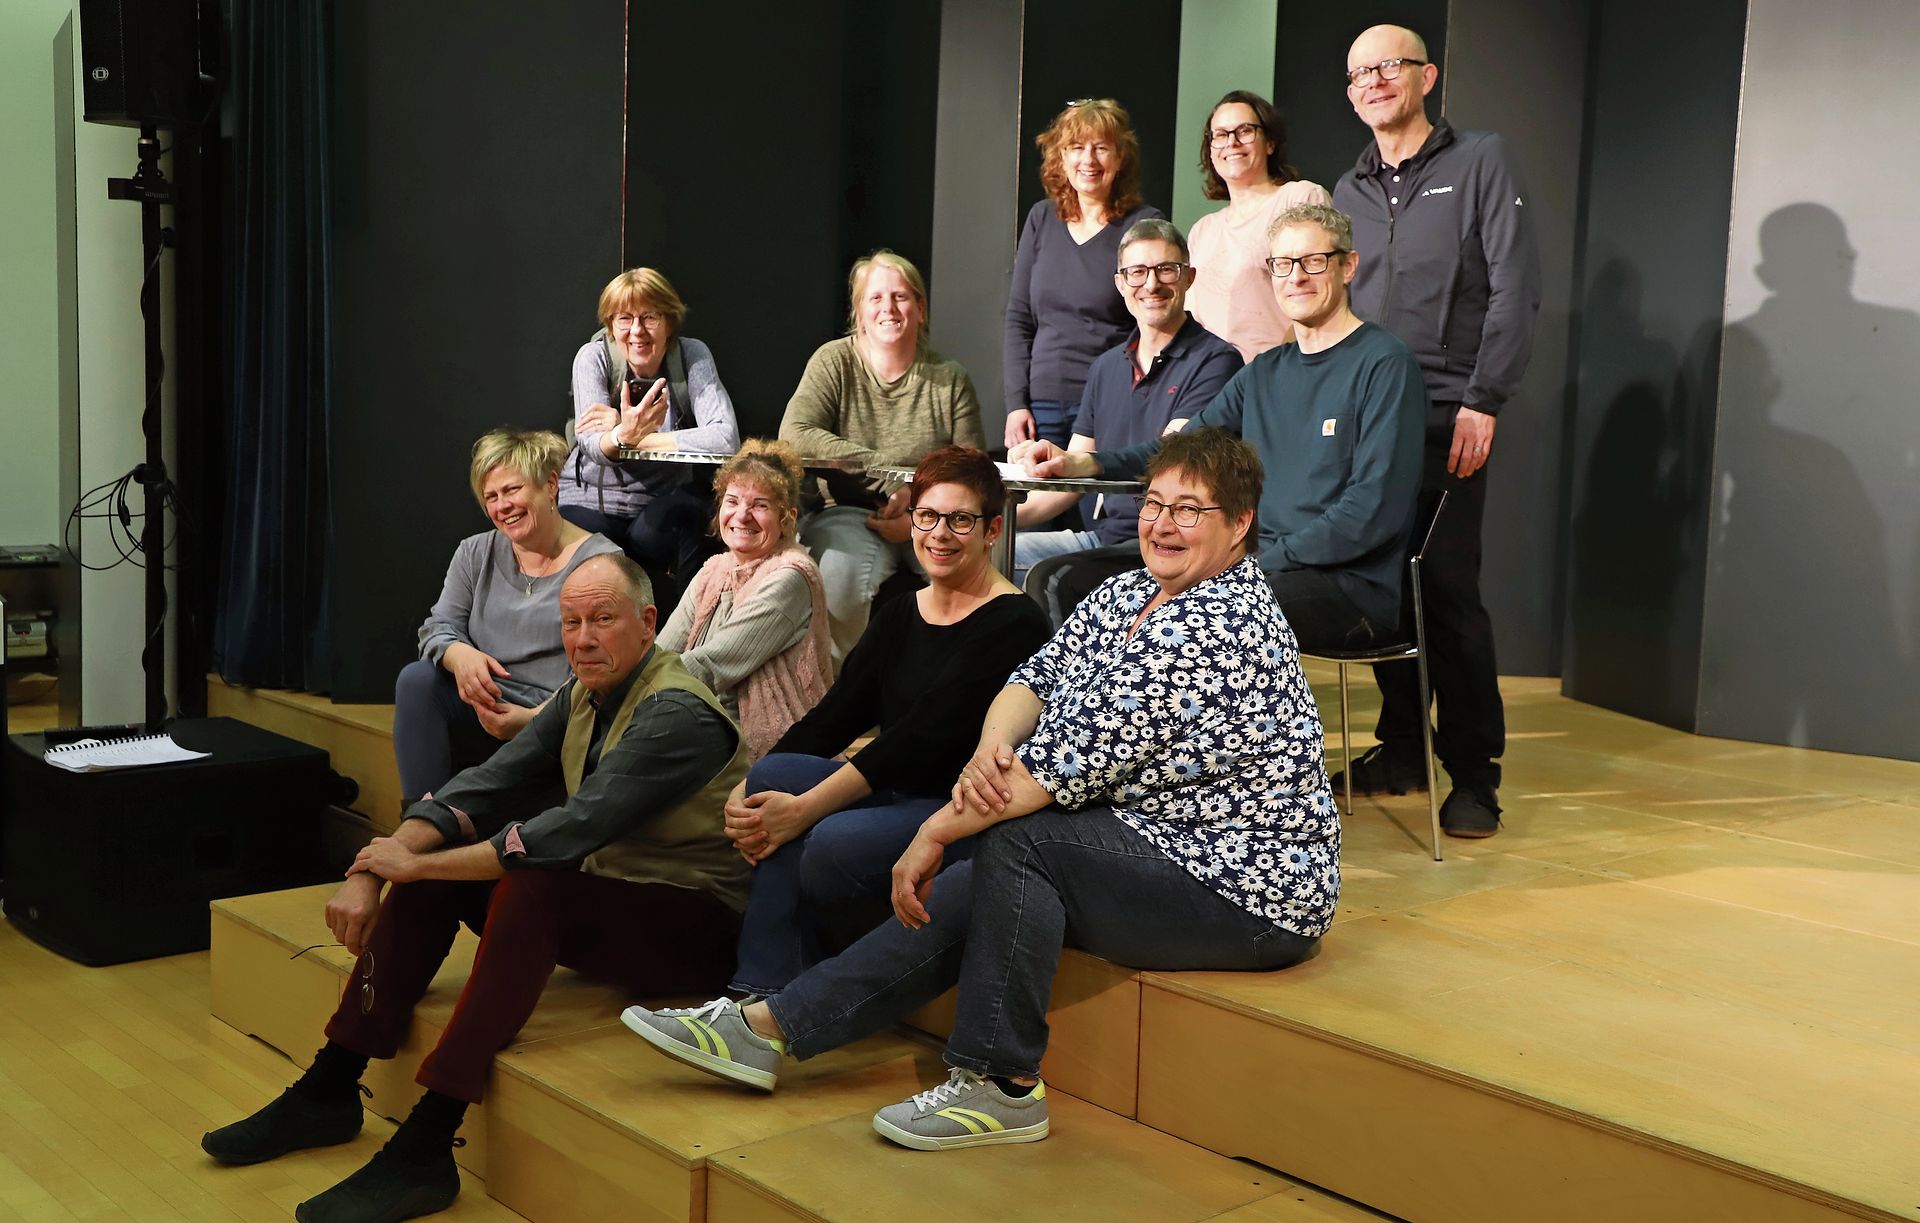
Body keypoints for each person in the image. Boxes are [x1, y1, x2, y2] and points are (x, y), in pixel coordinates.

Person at [623, 430, 1335, 1152]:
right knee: (1001, 856)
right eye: (1153, 504)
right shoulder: (1131, 591)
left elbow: (1053, 771)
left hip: (1246, 889)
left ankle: (1002, 1082)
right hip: (1149, 838)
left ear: (1239, 523)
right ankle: (767, 1023)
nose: (1161, 524)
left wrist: (934, 831)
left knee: (1018, 844)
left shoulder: (1216, 623)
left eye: (1188, 510)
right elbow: (1035, 680)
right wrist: (996, 743)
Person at [202, 554, 749, 1223]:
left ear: (648, 622)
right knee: (447, 867)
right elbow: (486, 783)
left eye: (602, 619)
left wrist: (413, 865)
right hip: (616, 899)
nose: (582, 638)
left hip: (698, 927)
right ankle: (330, 1084)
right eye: (571, 622)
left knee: (527, 882)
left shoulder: (675, 712)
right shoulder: (584, 694)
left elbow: (568, 830)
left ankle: (430, 1138)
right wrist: (377, 865)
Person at [1018, 203, 1426, 657]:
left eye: (1313, 261)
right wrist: (1084, 462)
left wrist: (1252, 564)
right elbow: (1178, 451)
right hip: (1249, 567)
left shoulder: (1385, 363)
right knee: (1062, 581)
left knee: (1187, 617)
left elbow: (1371, 512)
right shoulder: (1264, 371)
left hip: (1347, 587)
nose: (1296, 277)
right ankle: (1075, 706)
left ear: (1347, 266)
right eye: (1283, 264)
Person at [721, 446, 1050, 997]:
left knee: (828, 839)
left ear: (992, 530)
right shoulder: (902, 611)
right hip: (893, 791)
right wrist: (748, 784)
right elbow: (835, 715)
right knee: (772, 779)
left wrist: (803, 810)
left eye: (959, 520)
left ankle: (773, 987)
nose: (939, 534)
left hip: (960, 812)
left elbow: (915, 740)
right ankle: (765, 984)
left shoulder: (1016, 622)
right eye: (927, 516)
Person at [1331, 24, 1542, 838]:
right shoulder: (1346, 189)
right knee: (1380, 592)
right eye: (1360, 73)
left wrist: (1484, 399)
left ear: (1427, 75)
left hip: (1449, 416)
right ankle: (1401, 750)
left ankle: (1476, 775)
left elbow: (1514, 286)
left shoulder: (1481, 160)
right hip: (1365, 423)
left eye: (1390, 65)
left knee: (1447, 596)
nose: (1375, 81)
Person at [779, 251, 987, 664]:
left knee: (980, 586)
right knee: (838, 580)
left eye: (900, 297)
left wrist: (919, 506)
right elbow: (795, 435)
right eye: (875, 298)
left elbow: (973, 471)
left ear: (921, 309)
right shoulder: (834, 361)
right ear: (859, 312)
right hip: (849, 513)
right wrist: (890, 479)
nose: (888, 308)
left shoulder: (949, 378)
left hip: (935, 517)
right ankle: (838, 691)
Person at [1012, 217, 1242, 585]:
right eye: (1137, 272)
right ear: (1120, 283)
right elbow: (1068, 482)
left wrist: (1079, 462)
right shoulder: (1105, 367)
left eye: (1165, 269)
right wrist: (986, 516)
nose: (1151, 284)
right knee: (977, 552)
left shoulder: (1217, 361)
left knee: (1050, 577)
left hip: (1169, 544)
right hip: (1102, 539)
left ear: (1188, 277)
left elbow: (1171, 457)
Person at [398, 429, 622, 805]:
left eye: (512, 490)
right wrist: (460, 655)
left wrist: (532, 719)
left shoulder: (602, 564)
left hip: (560, 714)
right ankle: (421, 820)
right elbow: (438, 627)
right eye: (491, 497)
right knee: (417, 680)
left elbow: (606, 673)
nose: (502, 506)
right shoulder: (474, 552)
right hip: (486, 701)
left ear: (550, 485)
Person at [558, 267, 740, 601]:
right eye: (624, 319)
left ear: (670, 321)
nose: (637, 331)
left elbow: (726, 440)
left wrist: (633, 435)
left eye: (650, 317)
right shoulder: (593, 357)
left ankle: (693, 626)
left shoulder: (691, 355)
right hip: (591, 505)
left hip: (656, 505)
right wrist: (622, 435)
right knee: (588, 546)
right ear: (611, 325)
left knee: (697, 514)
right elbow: (592, 444)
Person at [1003, 98, 1164, 451]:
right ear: (1061, 157)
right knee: (1038, 488)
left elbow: (1154, 322)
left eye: (1101, 148)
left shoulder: (1143, 225)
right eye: (1076, 147)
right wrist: (1016, 403)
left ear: (1120, 158)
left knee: (1098, 489)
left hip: (1109, 401)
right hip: (1040, 406)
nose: (1088, 160)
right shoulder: (1041, 218)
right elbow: (1019, 317)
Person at [655, 440, 832, 760]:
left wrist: (634, 689)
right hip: (701, 719)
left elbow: (713, 664)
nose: (742, 515)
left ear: (787, 518)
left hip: (766, 745)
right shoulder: (714, 570)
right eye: (733, 501)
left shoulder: (791, 576)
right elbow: (663, 650)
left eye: (760, 505)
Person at [1186, 90, 1333, 361]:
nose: (1231, 142)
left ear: (1270, 143)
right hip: (1213, 378)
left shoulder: (1299, 198)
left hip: (1279, 369)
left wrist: (1273, 369)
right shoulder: (1202, 230)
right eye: (1220, 135)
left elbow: (1319, 297)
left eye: (1244, 131)